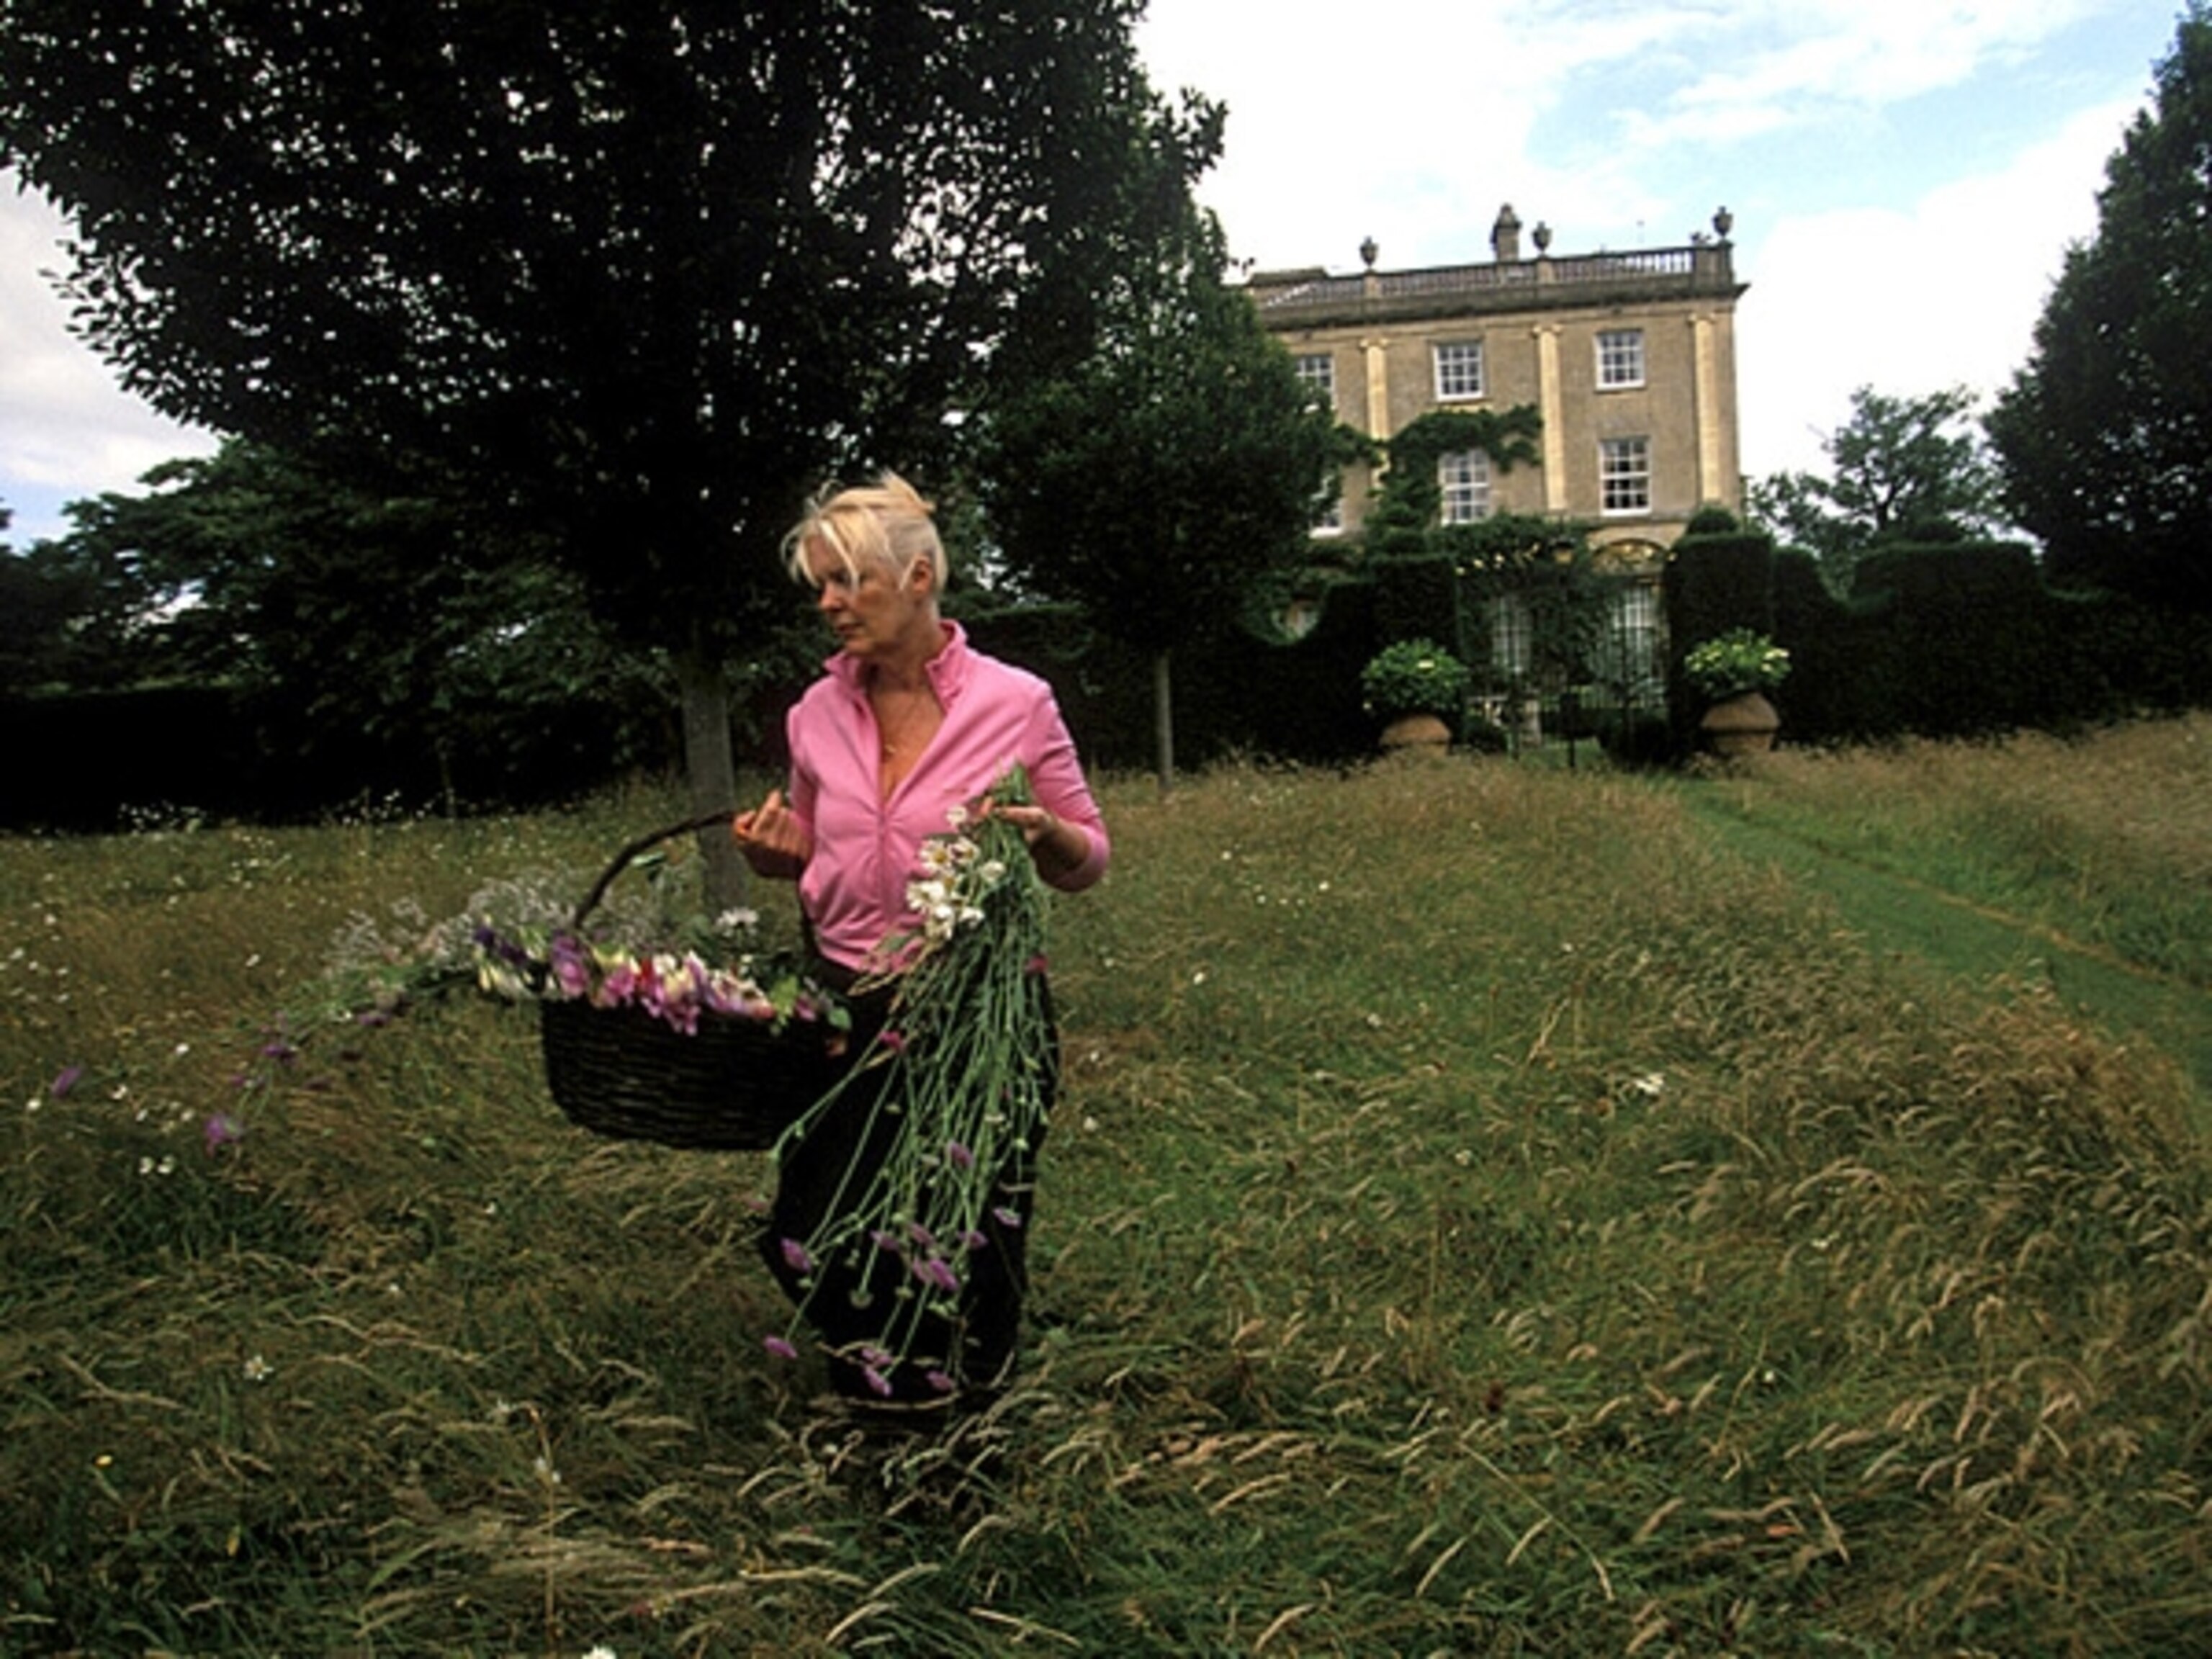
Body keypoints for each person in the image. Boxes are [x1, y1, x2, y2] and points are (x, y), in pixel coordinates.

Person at [732, 472, 1109, 1416]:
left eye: (848, 580)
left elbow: (1087, 855)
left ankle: (965, 1419)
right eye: (820, 584)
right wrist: (780, 856)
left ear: (919, 575)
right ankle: (877, 1381)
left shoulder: (1015, 702)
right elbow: (820, 849)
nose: (828, 602)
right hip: (845, 1005)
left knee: (975, 1228)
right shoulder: (812, 713)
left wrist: (1041, 835)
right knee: (812, 1220)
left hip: (982, 1009)